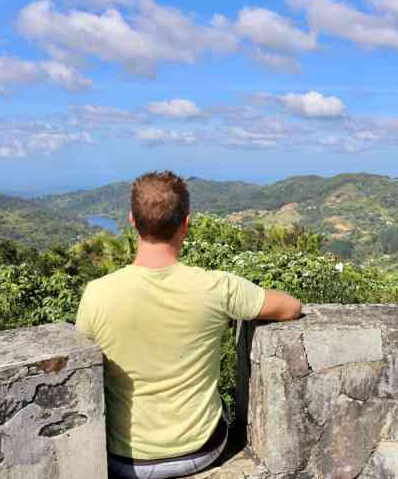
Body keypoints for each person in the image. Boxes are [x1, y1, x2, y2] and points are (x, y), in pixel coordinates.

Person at [75, 170, 302, 479]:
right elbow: (290, 307)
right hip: (201, 451)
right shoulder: (216, 287)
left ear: (132, 220)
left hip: (124, 460)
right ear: (186, 224)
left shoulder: (96, 294)